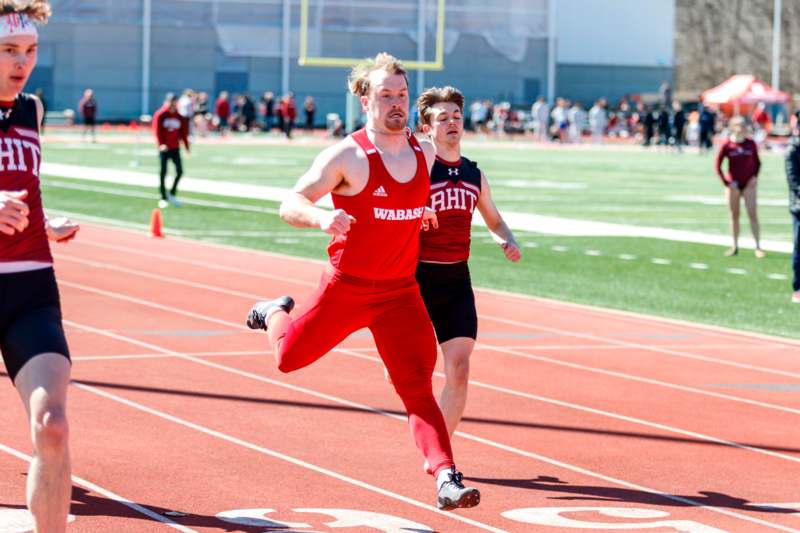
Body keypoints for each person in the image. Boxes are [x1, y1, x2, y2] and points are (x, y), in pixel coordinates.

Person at [245, 52, 480, 511]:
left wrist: (421, 211)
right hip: (347, 288)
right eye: (386, 95)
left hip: (399, 294)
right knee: (287, 360)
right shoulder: (347, 155)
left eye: (402, 95)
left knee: (416, 387)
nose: (396, 103)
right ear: (364, 99)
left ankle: (446, 476)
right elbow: (289, 202)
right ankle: (273, 311)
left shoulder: (424, 151)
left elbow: (409, 200)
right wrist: (320, 217)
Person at [0, 2, 81, 531]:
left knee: (52, 426)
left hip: (29, 284)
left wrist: (46, 222)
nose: (21, 62)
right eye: (8, 50)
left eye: (30, 50)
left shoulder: (32, 108)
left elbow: (25, 185)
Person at [415, 85, 520, 438]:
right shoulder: (417, 171)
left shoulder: (475, 174)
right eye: (442, 118)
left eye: (456, 117)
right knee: (409, 371)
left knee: (458, 369)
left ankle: (440, 454)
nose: (451, 123)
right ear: (428, 127)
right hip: (415, 279)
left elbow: (493, 218)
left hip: (456, 282)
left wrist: (507, 238)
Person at [715, 116, 764, 258]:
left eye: (744, 124)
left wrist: (754, 178)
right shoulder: (727, 144)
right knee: (734, 215)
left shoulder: (751, 144)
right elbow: (717, 166)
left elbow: (757, 163)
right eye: (739, 125)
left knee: (752, 214)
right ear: (732, 126)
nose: (742, 127)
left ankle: (758, 246)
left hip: (749, 185)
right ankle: (734, 246)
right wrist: (727, 182)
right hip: (734, 185)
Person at [153, 93, 190, 208]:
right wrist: (161, 144)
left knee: (180, 171)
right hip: (164, 149)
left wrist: (187, 147)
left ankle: (172, 193)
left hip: (175, 148)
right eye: (171, 101)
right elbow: (157, 131)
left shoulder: (179, 117)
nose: (173, 104)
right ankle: (163, 197)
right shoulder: (161, 115)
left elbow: (183, 133)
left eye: (174, 102)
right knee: (163, 172)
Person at [785, 112, 800, 303]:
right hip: (799, 208)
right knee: (799, 249)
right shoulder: (792, 151)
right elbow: (794, 182)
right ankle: (798, 287)